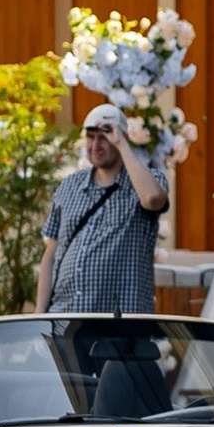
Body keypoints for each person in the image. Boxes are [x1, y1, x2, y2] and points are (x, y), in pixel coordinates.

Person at [37, 109, 169, 316]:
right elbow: (50, 255)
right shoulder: (69, 185)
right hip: (65, 318)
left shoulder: (146, 182)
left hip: (118, 326)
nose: (95, 145)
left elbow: (153, 199)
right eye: (91, 137)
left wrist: (120, 143)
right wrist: (39, 315)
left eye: (103, 138)